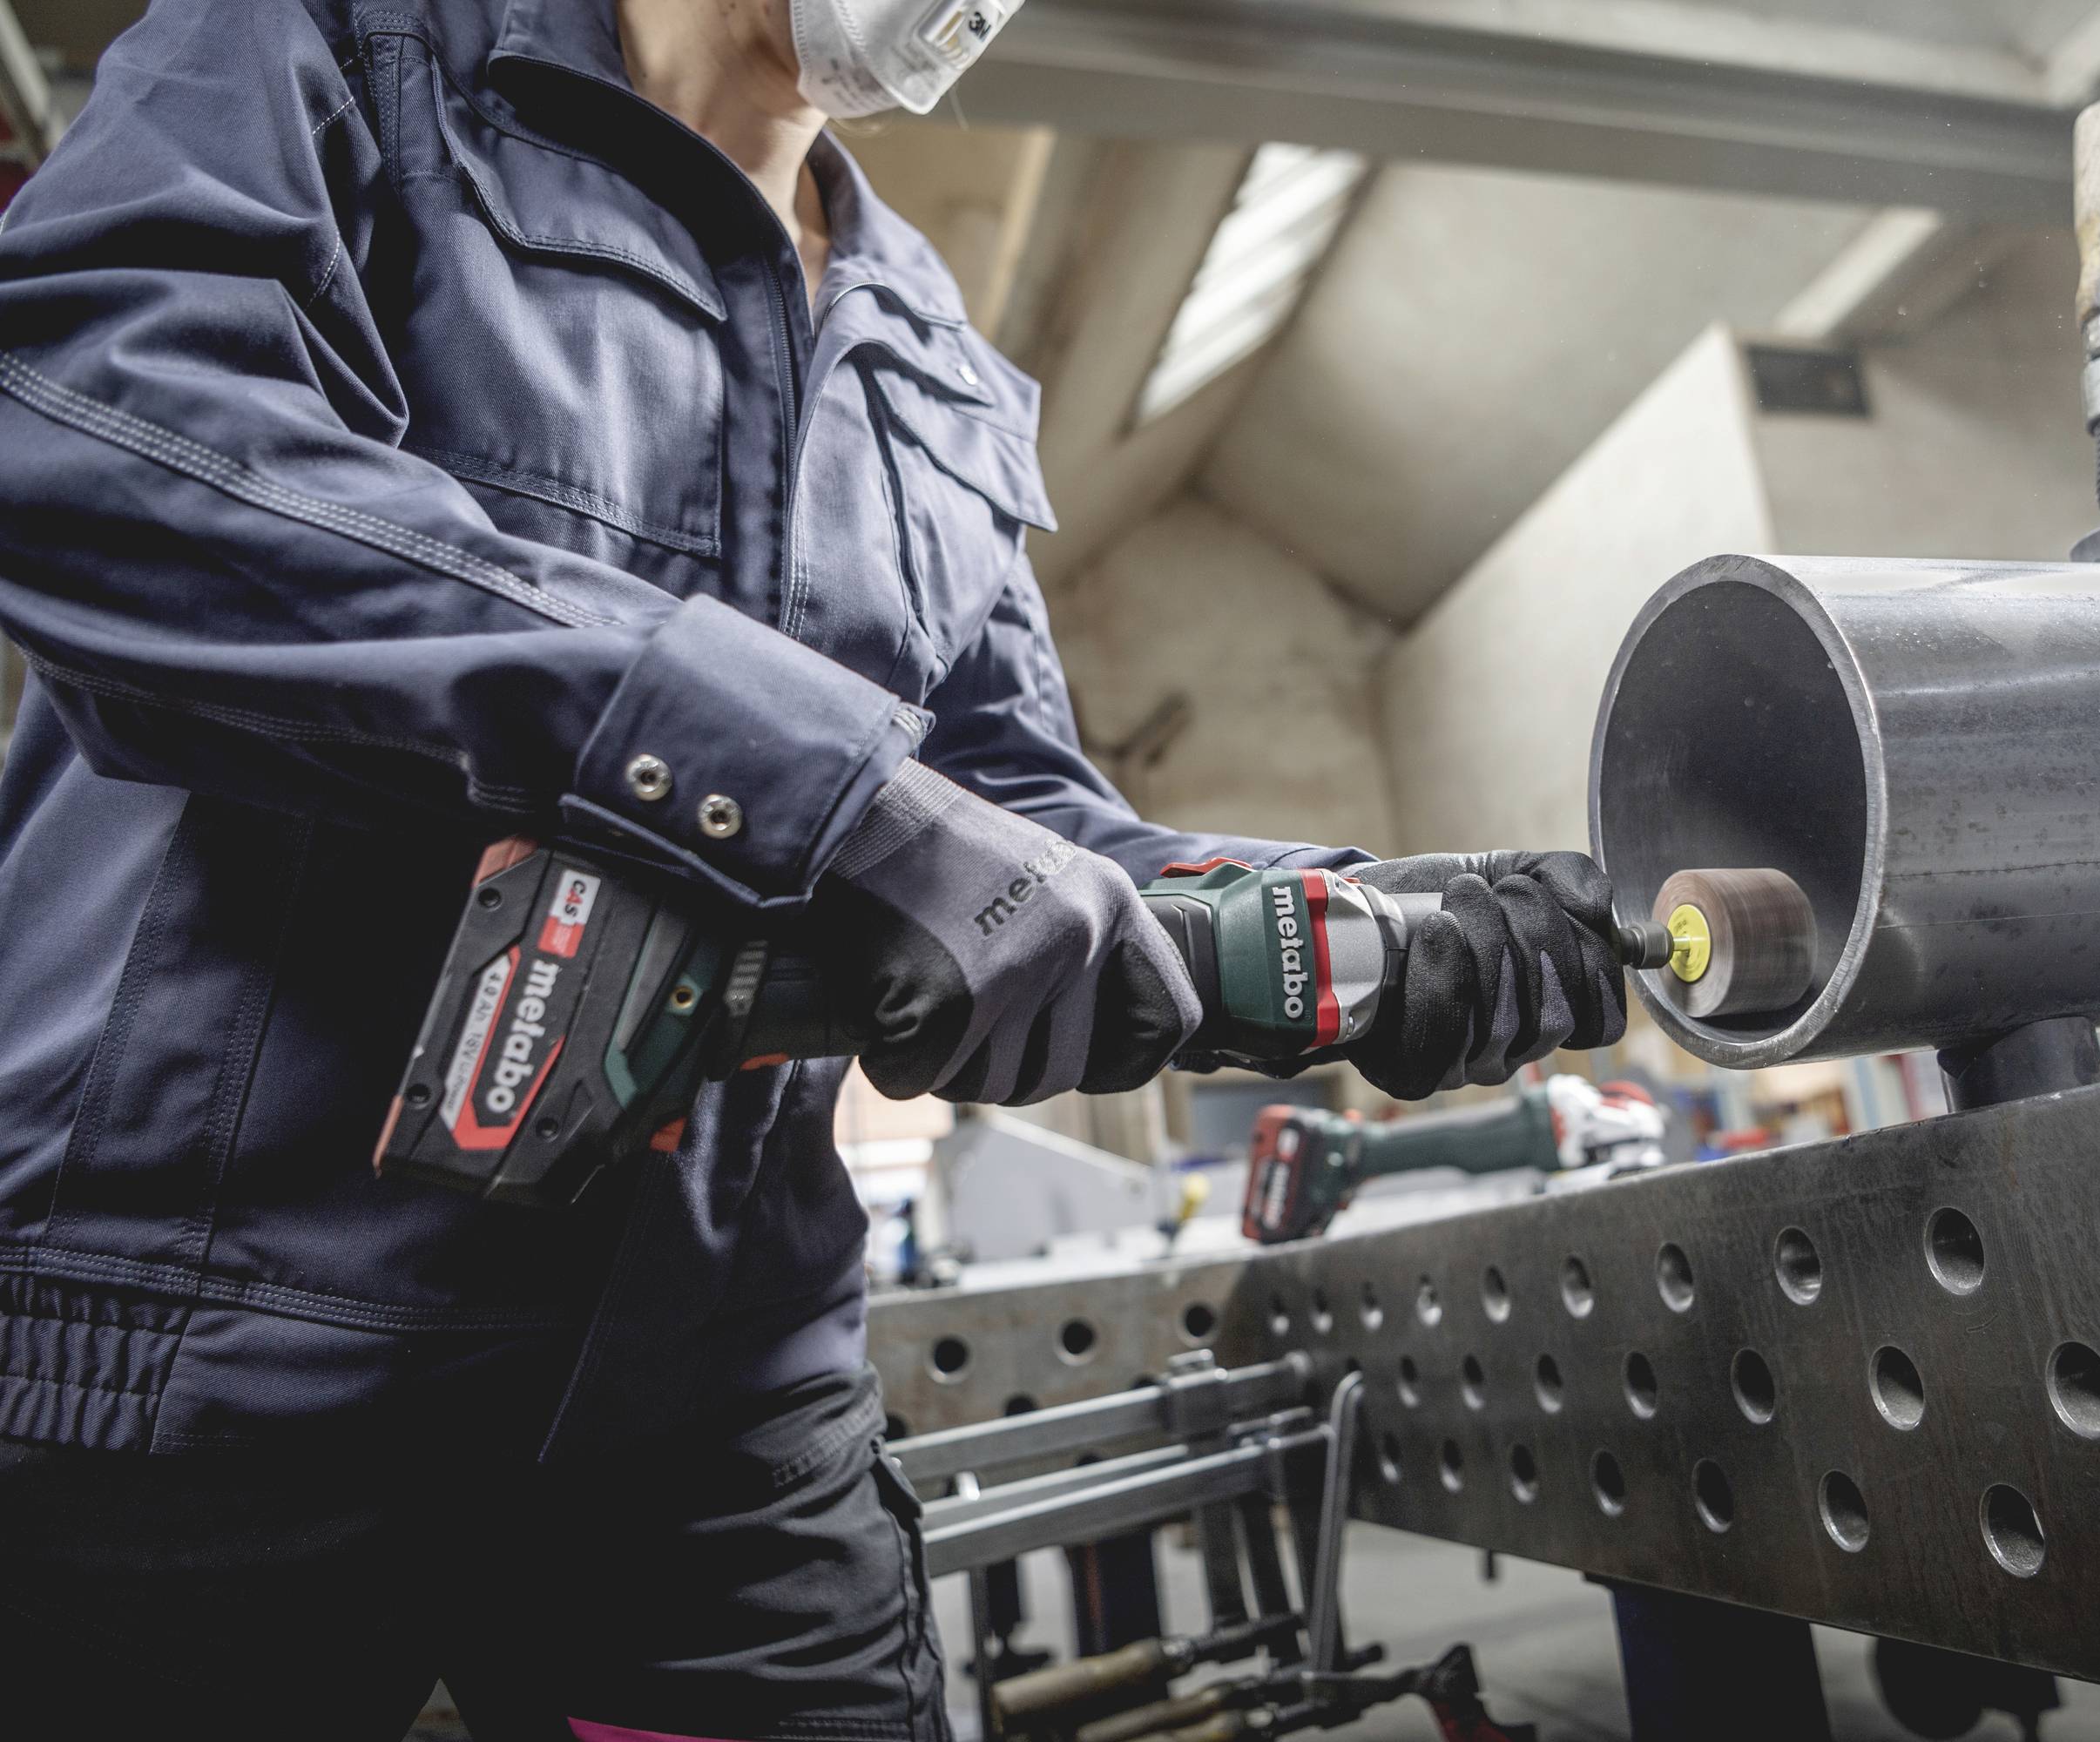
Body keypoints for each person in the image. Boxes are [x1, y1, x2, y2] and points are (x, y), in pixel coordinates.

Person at [0, 1, 1631, 1736]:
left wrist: (1369, 924)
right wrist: (800, 781)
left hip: (703, 1378)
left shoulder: (923, 344)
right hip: (203, 1335)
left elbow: (1014, 822)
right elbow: (93, 437)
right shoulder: (346, 48)